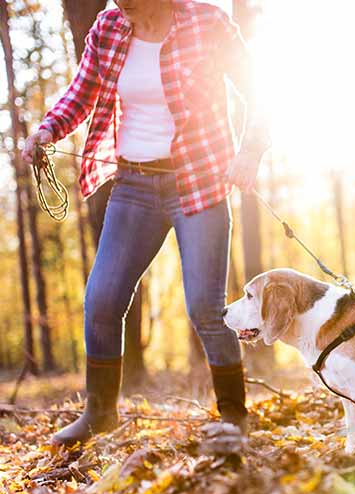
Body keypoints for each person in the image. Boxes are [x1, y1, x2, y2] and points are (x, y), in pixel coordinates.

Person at [22, 0, 268, 445]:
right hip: (133, 186)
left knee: (205, 307)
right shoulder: (109, 28)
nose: (123, 6)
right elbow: (82, 91)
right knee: (102, 300)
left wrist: (249, 152)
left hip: (198, 183)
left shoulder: (206, 23)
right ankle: (99, 414)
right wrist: (48, 129)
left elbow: (260, 91)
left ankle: (234, 415)